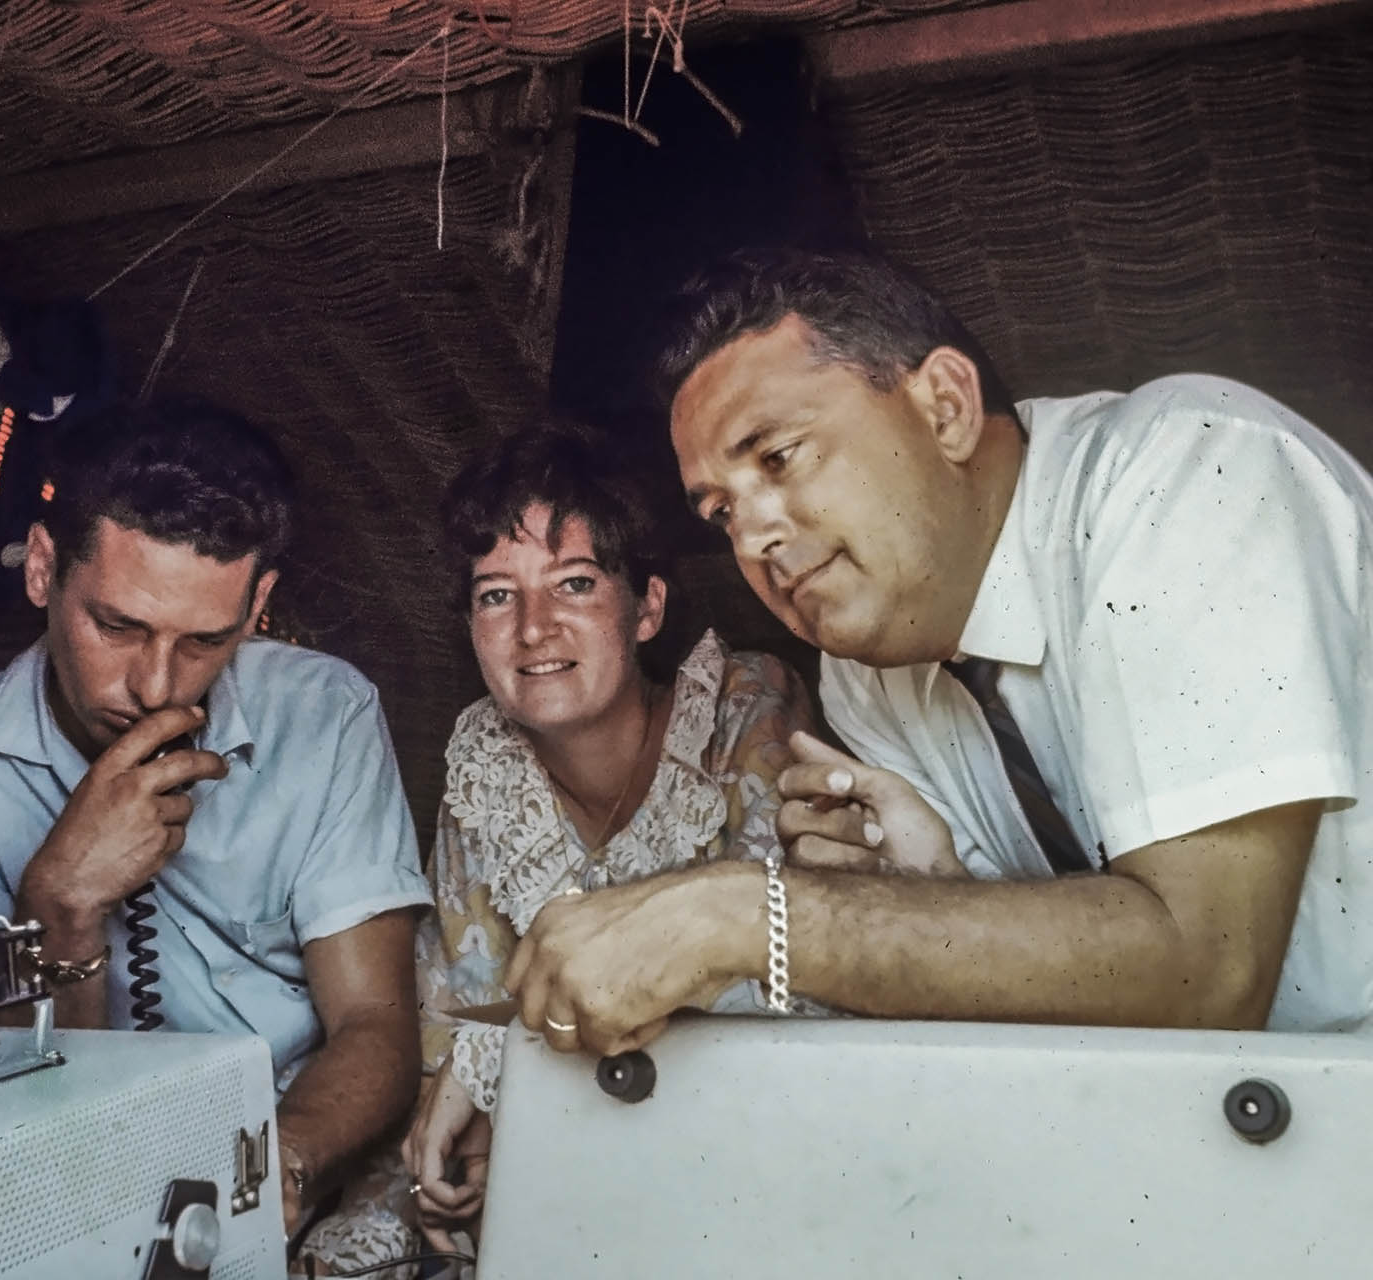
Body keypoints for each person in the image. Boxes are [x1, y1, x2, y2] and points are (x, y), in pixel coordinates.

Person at [505, 247, 1373, 1054]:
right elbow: (1068, 993)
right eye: (722, 512)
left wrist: (747, 916)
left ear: (946, 408)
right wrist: (932, 890)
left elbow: (1207, 974)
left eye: (779, 456)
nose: (754, 537)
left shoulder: (1188, 472)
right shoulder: (866, 677)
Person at [0, 398, 432, 1243]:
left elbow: (375, 1025)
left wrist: (276, 1168)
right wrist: (63, 902)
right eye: (118, 627)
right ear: (43, 569)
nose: (157, 687)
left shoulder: (326, 712)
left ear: (257, 604)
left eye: (204, 642)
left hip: (297, 1177)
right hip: (64, 1195)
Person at [401, 424, 818, 1249]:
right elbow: (453, 1016)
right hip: (571, 1171)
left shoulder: (743, 712)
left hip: (759, 1169)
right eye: (496, 595)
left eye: (575, 583)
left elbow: (783, 992)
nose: (533, 628)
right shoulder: (484, 770)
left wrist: (491, 1063)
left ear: (647, 608)